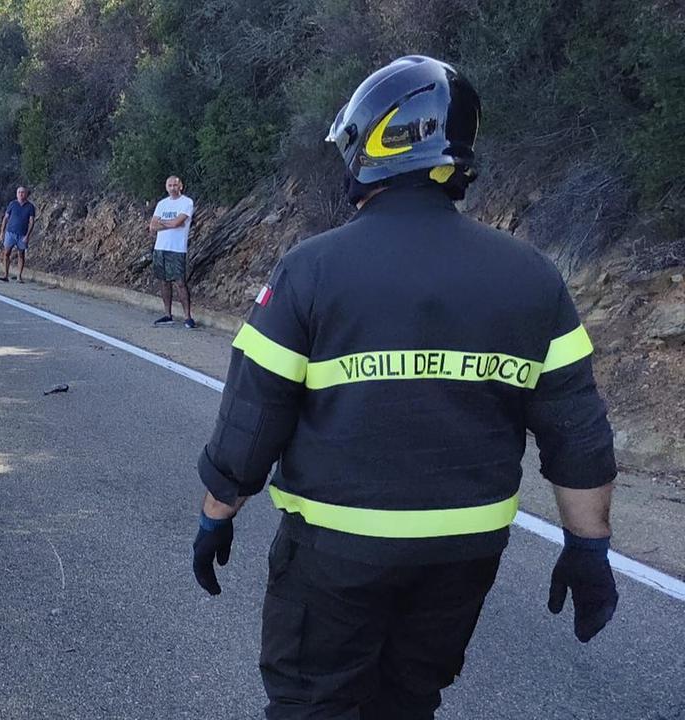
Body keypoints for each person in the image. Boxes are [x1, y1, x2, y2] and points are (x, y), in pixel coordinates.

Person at [190, 56, 618, 720]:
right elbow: (578, 434)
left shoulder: (311, 270)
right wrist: (588, 547)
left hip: (337, 555)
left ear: (374, 144)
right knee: (411, 702)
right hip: (463, 556)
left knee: (315, 705)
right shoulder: (533, 277)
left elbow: (253, 416)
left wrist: (215, 515)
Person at [148, 176, 196, 329]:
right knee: (164, 281)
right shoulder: (162, 204)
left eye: (175, 185)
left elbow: (179, 222)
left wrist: (164, 223)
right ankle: (168, 315)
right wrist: (170, 224)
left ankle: (188, 317)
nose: (173, 188)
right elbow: (152, 226)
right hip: (160, 247)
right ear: (166, 187)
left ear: (180, 186)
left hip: (177, 249)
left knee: (180, 282)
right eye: (170, 185)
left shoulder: (186, 202)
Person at [0, 186, 36, 283]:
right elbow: (5, 218)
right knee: (6, 253)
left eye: (23, 192)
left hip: (22, 234)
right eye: (19, 192)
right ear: (16, 194)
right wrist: (2, 232)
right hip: (10, 232)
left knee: (21, 254)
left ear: (26, 194)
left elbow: (31, 222)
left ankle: (19, 276)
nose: (21, 194)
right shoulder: (12, 204)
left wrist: (27, 236)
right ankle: (5, 274)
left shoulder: (30, 206)